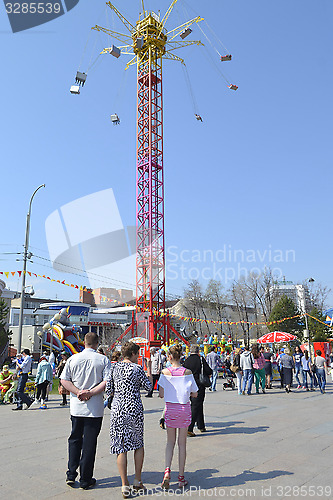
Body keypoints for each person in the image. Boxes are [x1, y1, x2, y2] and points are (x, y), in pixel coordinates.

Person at [61, 332, 111, 490]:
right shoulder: (103, 359)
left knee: (75, 439)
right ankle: (85, 478)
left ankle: (71, 473)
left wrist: (77, 392)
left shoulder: (73, 359)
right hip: (94, 407)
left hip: (76, 407)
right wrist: (90, 392)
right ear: (97, 343)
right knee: (89, 443)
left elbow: (64, 380)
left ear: (84, 342)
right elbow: (106, 381)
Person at [106, 341, 152, 498]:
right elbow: (149, 387)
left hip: (118, 409)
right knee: (138, 444)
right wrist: (149, 369)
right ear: (133, 354)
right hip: (134, 408)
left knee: (121, 447)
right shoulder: (137, 368)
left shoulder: (114, 367)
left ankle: (124, 485)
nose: (138, 357)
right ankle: (137, 480)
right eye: (137, 354)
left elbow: (109, 389)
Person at [158, 344, 198, 489]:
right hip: (184, 409)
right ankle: (181, 478)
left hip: (170, 409)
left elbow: (161, 394)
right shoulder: (187, 372)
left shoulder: (164, 372)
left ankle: (167, 470)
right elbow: (195, 392)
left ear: (169, 357)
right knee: (182, 444)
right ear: (181, 356)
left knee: (170, 443)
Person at [183, 344, 212, 437]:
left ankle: (201, 425)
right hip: (199, 385)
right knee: (196, 406)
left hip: (189, 386)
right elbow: (209, 370)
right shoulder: (200, 359)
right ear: (198, 351)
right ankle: (189, 428)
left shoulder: (186, 361)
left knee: (198, 405)